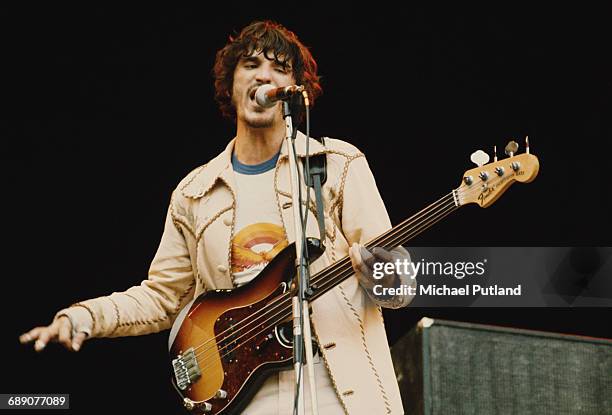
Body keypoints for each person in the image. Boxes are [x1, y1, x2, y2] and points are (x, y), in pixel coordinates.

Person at [20, 20, 416, 414]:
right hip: (242, 396)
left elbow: (400, 283)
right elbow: (162, 297)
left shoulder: (335, 165)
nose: (265, 75)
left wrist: (383, 274)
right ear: (231, 84)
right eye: (251, 64)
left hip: (339, 387)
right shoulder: (194, 193)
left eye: (280, 69)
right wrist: (85, 316)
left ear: (295, 91)